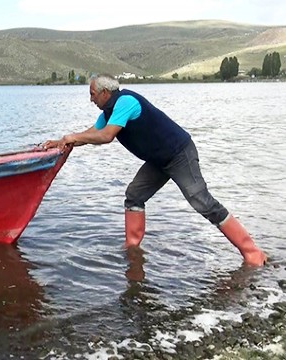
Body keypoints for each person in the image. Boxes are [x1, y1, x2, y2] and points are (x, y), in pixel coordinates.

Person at [43, 74, 266, 266]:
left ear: (104, 92)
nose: (90, 99)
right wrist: (62, 141)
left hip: (179, 154)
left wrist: (73, 137)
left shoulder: (125, 102)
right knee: (134, 195)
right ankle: (132, 249)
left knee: (201, 201)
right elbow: (93, 131)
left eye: (92, 93)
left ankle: (252, 253)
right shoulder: (109, 112)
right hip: (159, 161)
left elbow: (106, 136)